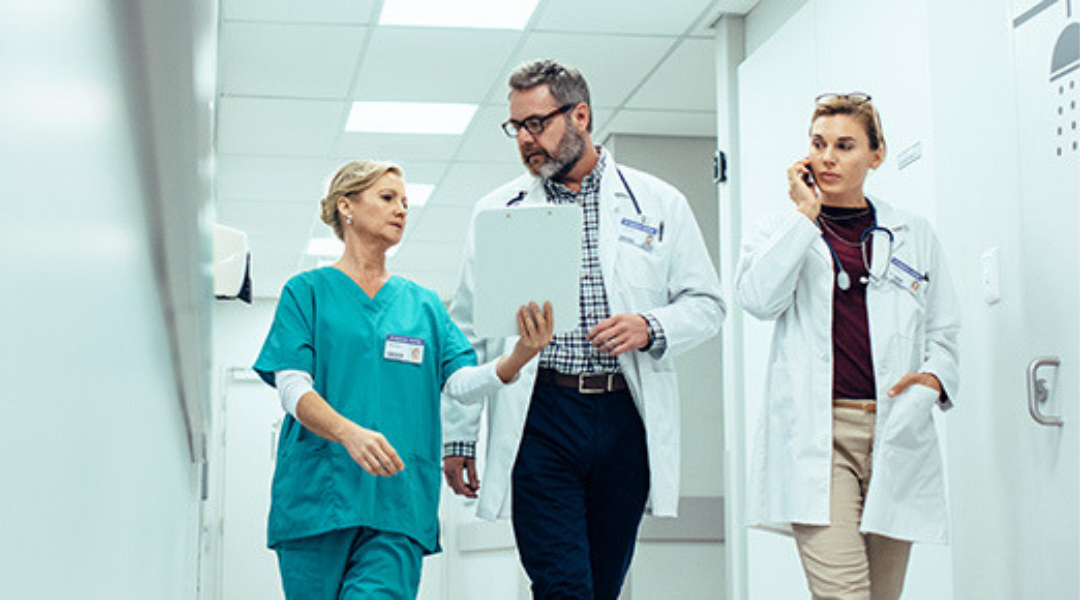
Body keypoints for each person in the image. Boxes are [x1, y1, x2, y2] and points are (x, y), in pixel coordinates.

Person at [442, 60, 726, 599]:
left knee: (602, 587)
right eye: (516, 127)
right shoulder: (498, 212)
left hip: (624, 416)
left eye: (537, 124)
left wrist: (650, 326)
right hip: (543, 415)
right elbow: (468, 337)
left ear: (581, 115)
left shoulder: (660, 203)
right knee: (562, 587)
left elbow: (708, 305)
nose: (526, 141)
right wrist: (459, 433)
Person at [253, 160, 553, 600]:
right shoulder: (307, 292)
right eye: (388, 198)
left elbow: (461, 383)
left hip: (398, 501)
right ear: (346, 207)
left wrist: (518, 358)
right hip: (317, 499)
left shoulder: (424, 305)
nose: (401, 211)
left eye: (406, 203)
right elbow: (293, 388)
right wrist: (349, 434)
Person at [736, 93, 961, 600]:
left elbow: (944, 333)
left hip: (894, 430)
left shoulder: (913, 233)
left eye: (844, 145)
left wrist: (933, 379)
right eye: (818, 144)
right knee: (844, 595)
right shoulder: (779, 229)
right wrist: (804, 217)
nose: (828, 157)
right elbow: (758, 299)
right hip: (821, 436)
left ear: (875, 155)